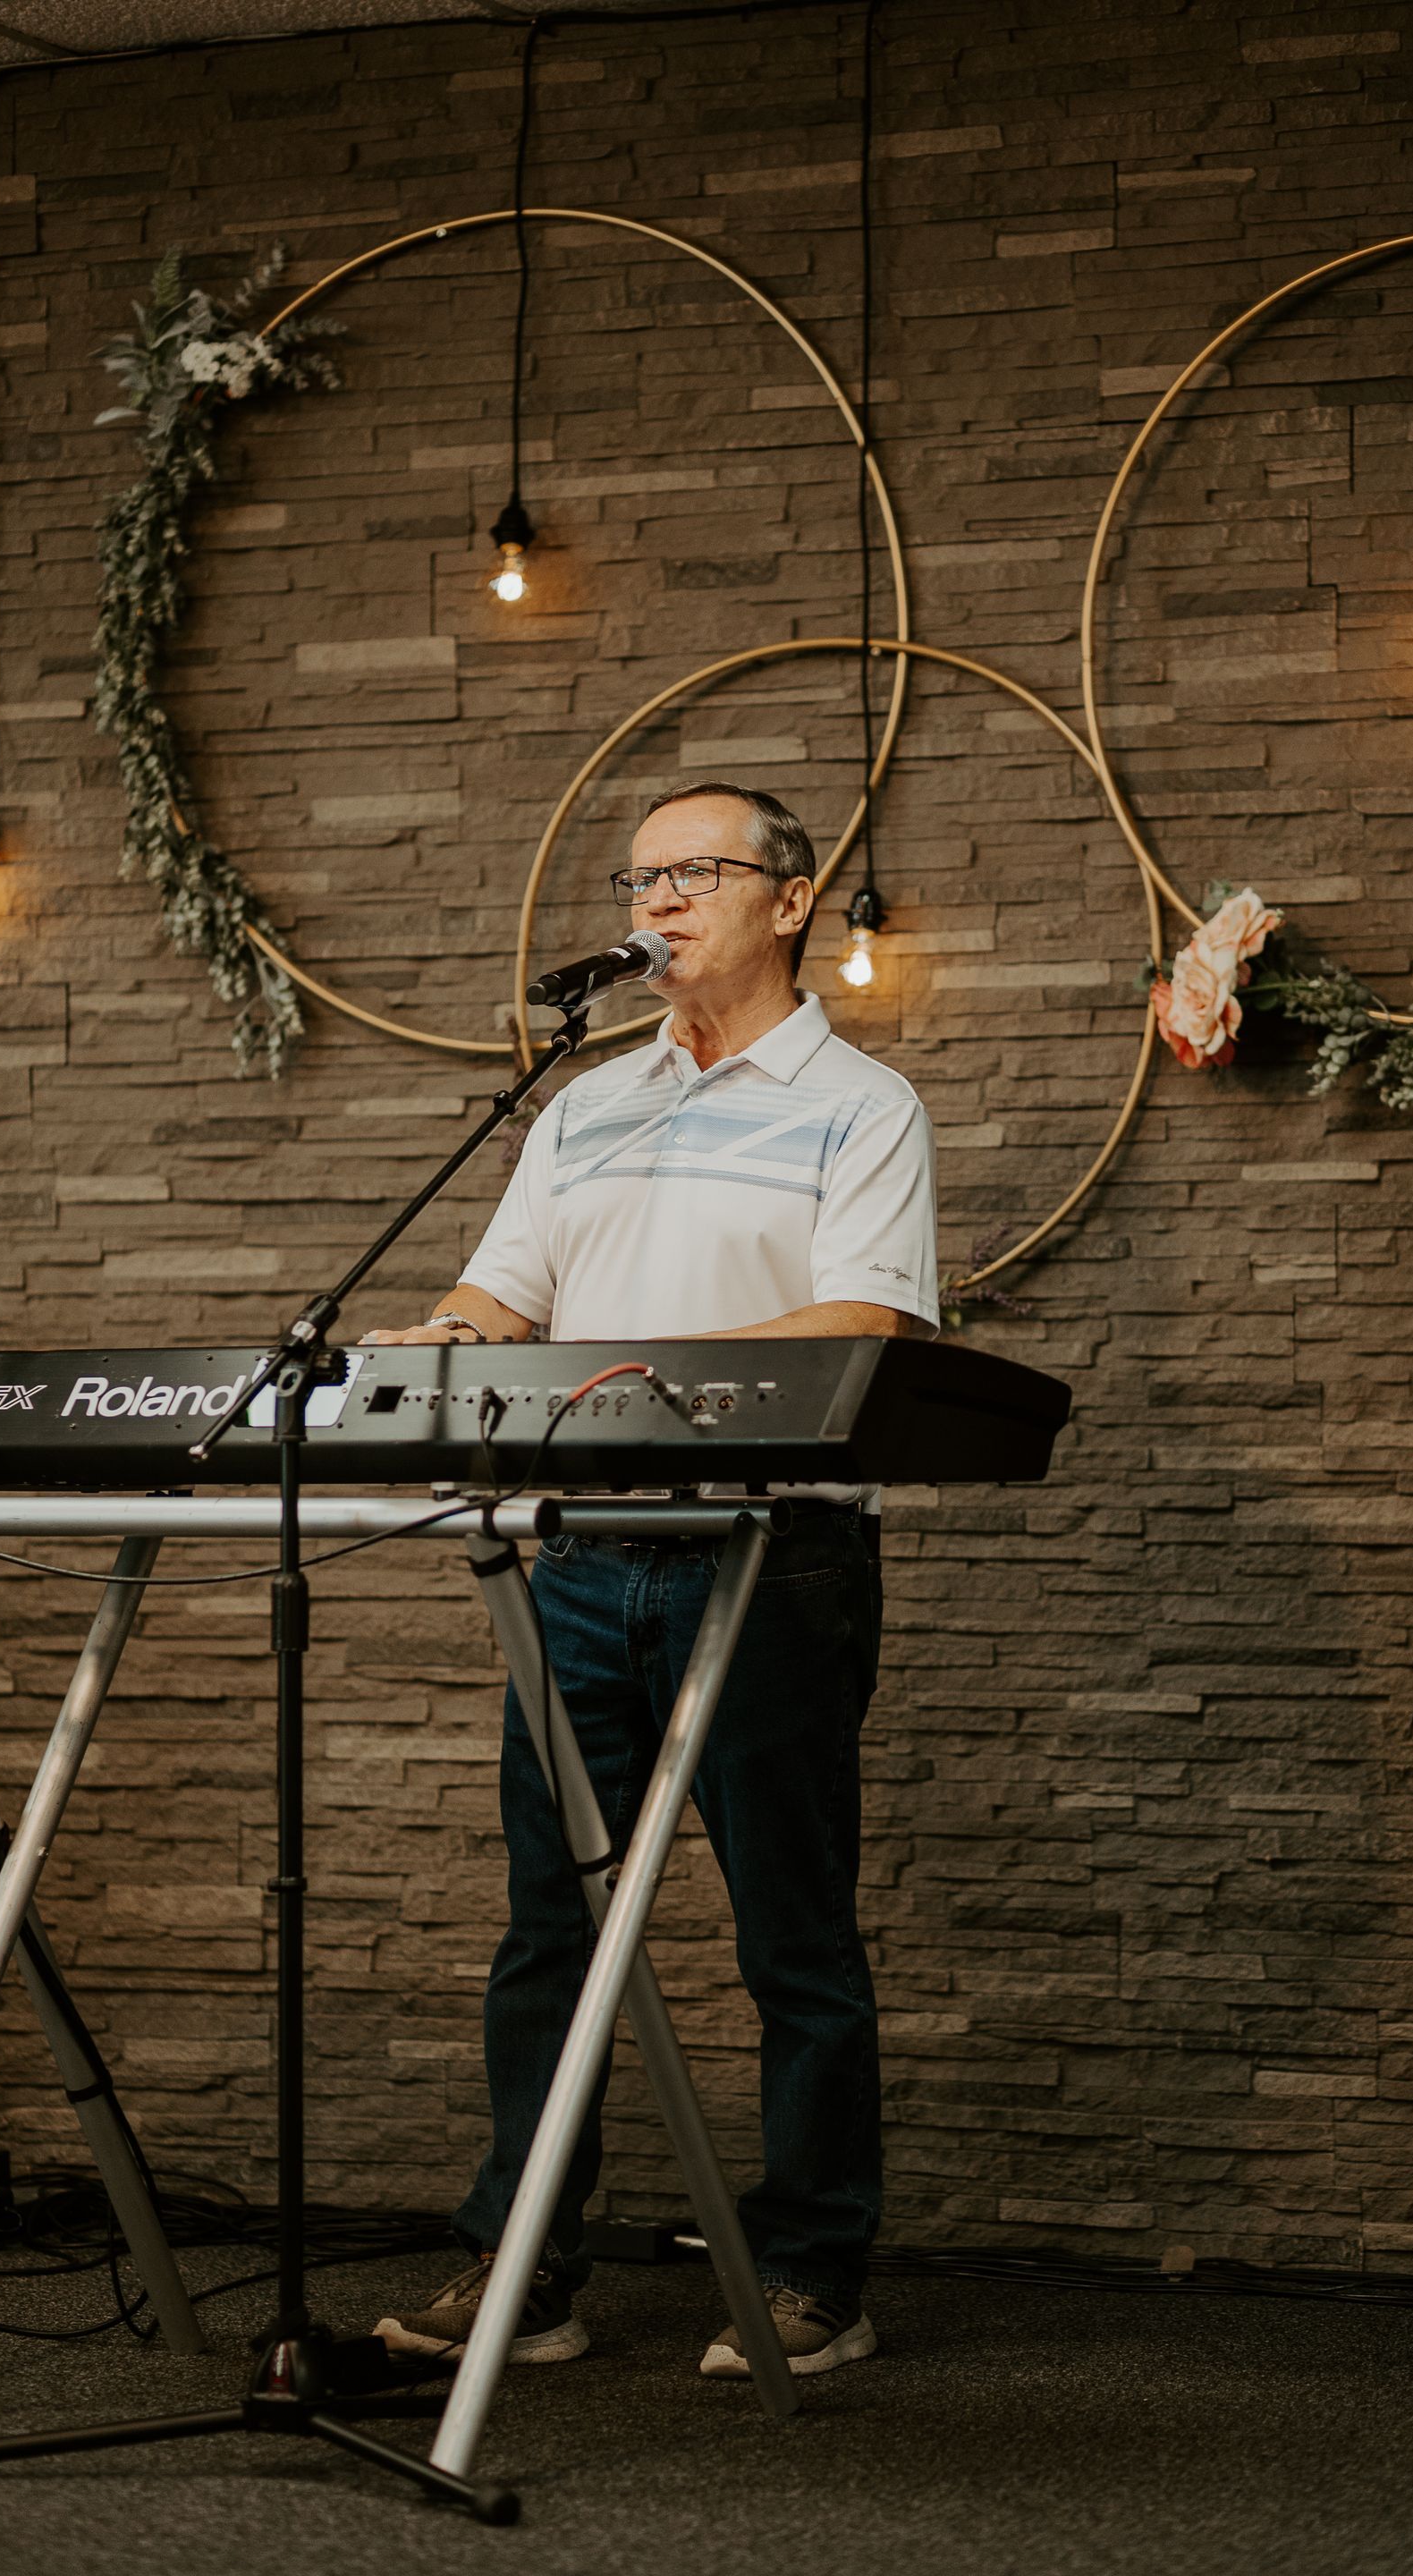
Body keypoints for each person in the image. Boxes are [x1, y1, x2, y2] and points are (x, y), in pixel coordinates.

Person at [364, 782, 939, 2378]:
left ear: (792, 899)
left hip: (771, 1555)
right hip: (573, 1560)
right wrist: (441, 1339)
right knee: (547, 1928)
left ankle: (812, 2272)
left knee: (791, 1938)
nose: (662, 901)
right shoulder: (585, 1102)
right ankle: (525, 2269)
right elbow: (503, 1292)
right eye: (642, 879)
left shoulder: (863, 1106)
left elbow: (863, 1326)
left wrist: (614, 1374)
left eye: (697, 872)